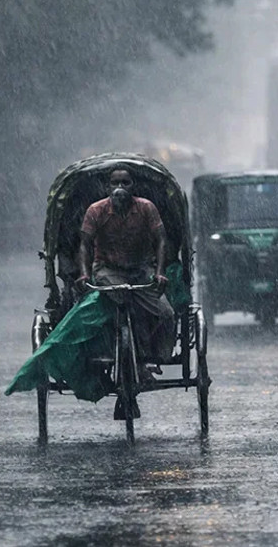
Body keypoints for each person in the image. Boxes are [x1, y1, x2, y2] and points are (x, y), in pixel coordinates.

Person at [76, 166, 175, 418]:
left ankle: (154, 357)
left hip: (141, 270)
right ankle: (110, 354)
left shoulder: (146, 208)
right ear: (107, 187)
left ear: (134, 186)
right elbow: (85, 244)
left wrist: (159, 272)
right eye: (115, 183)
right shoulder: (96, 211)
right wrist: (84, 274)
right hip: (108, 270)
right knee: (121, 298)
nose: (120, 187)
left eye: (125, 182)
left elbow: (161, 240)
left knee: (166, 313)